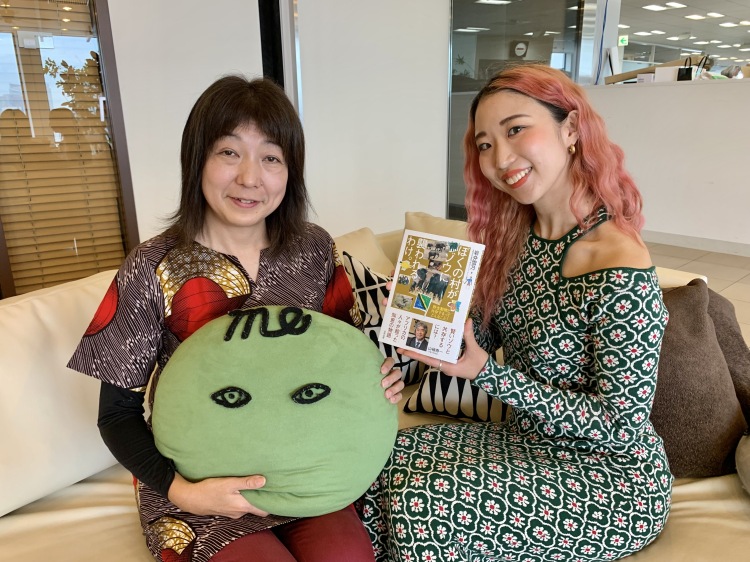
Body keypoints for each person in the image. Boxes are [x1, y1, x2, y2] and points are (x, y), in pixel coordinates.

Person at [67, 75, 404, 562]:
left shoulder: (312, 248)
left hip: (304, 473)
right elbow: (116, 415)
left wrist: (382, 377)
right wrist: (183, 492)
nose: (250, 178)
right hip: (199, 484)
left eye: (271, 158)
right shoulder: (152, 266)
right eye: (229, 152)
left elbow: (342, 361)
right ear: (197, 160)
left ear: (290, 171)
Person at [361, 64, 671, 561]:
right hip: (528, 443)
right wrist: (420, 320)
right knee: (380, 458)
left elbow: (621, 424)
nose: (500, 158)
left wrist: (486, 373)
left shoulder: (618, 262)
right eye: (484, 144)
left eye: (516, 129)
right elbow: (477, 339)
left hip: (612, 480)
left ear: (571, 129)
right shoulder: (515, 239)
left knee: (425, 502)